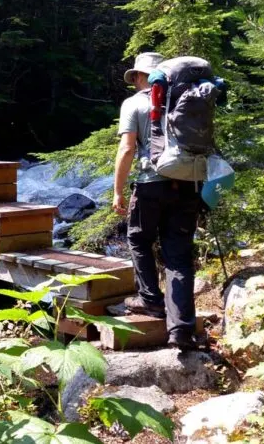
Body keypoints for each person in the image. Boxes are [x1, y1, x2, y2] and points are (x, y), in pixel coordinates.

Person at [111, 52, 201, 350]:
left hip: (150, 185)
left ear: (140, 76)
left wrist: (118, 191)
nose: (134, 81)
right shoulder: (183, 99)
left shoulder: (134, 103)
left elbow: (126, 149)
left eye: (135, 76)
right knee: (178, 257)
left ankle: (150, 301)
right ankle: (182, 330)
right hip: (188, 185)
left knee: (138, 239)